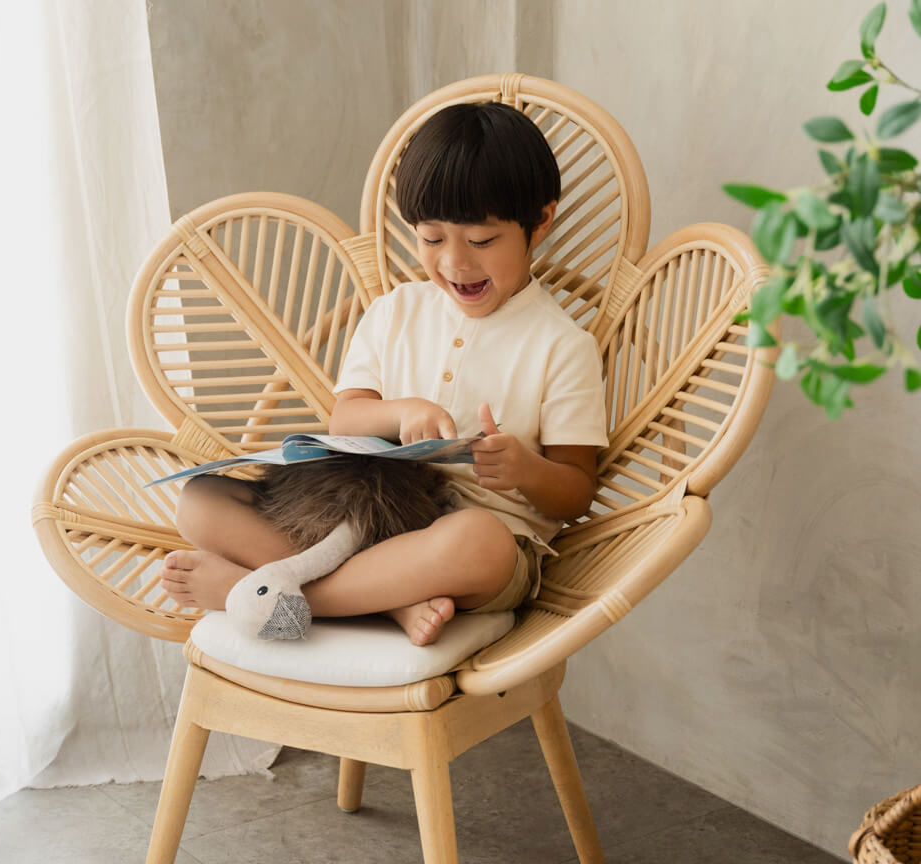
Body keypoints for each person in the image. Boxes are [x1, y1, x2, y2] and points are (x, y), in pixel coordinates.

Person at [160, 101, 608, 646]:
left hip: (466, 550)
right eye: (432, 238)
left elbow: (577, 493)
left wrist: (525, 470)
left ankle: (272, 592)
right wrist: (402, 413)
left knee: (479, 542)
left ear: (540, 222)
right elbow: (345, 416)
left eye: (482, 241)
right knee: (200, 501)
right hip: (364, 524)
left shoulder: (562, 345)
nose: (455, 263)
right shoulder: (395, 311)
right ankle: (385, 602)